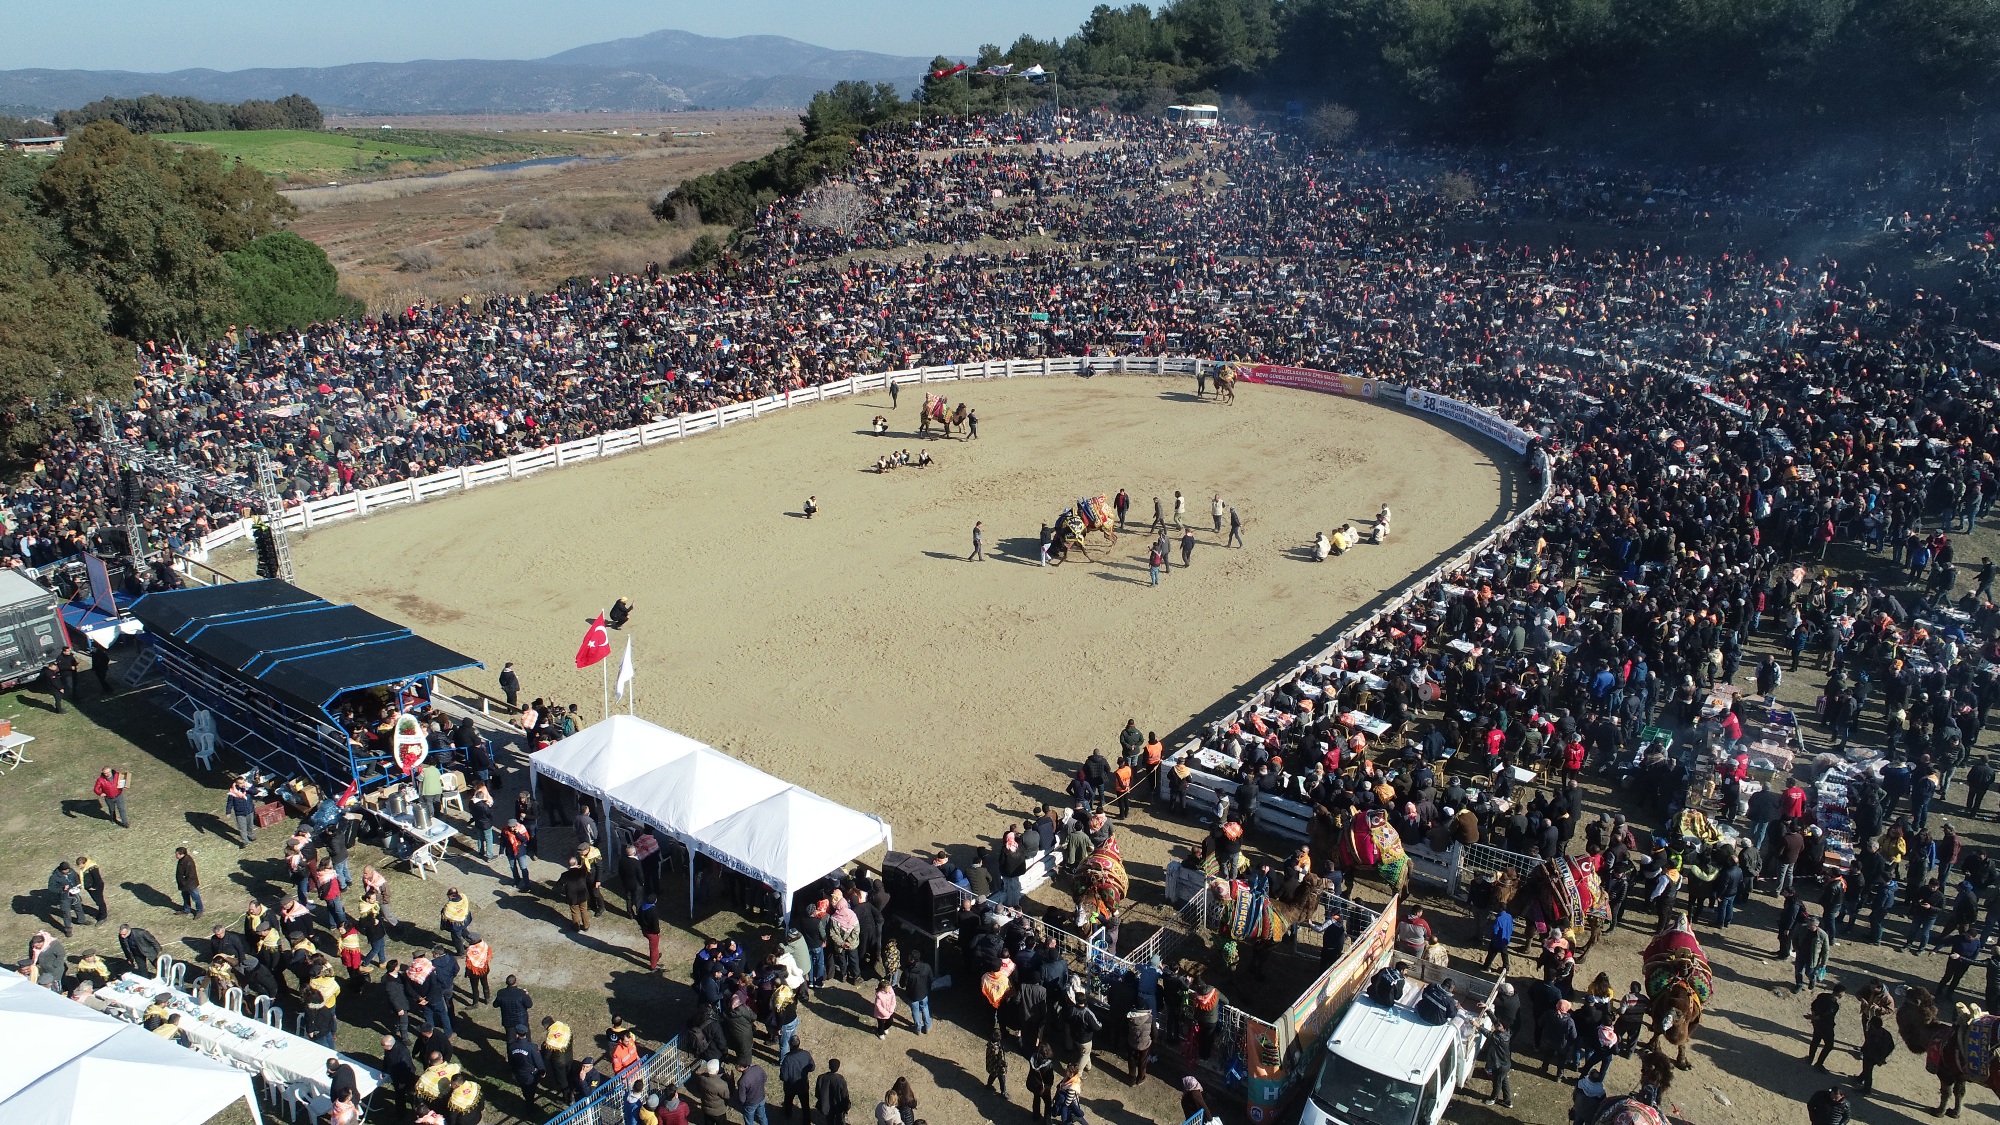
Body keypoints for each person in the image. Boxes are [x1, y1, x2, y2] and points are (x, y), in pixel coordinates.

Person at [1807, 982, 1842, 1069]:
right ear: (1841, 993)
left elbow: (1813, 1005)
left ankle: (1810, 1058)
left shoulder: (1822, 996)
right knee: (1829, 1045)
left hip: (1817, 1024)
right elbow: (1828, 1014)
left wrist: (1813, 1016)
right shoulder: (1834, 1005)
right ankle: (1819, 1064)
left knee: (1815, 1040)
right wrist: (1816, 1018)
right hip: (1826, 1026)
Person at [779, 1036, 814, 1120]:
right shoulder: (806, 1054)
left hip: (790, 1086)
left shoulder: (787, 1059)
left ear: (790, 1045)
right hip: (803, 1084)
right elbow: (812, 1067)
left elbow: (784, 1077)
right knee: (805, 1105)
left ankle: (788, 1114)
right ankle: (806, 1121)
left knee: (788, 1101)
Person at [1794, 915, 1831, 991]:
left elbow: (1826, 951)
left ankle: (1812, 979)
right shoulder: (1802, 928)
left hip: (1812, 958)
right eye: (1807, 923)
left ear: (1816, 925)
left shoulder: (1823, 935)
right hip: (1801, 954)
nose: (1808, 926)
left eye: (1810, 925)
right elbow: (1795, 938)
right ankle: (1799, 985)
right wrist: (1796, 948)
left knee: (1809, 973)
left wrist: (1824, 963)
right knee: (1798, 970)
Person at [47, 861, 80, 936]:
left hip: (74, 892)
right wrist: (62, 889)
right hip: (64, 896)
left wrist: (78, 884)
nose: (67, 871)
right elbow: (51, 888)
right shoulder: (54, 877)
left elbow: (76, 877)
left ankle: (81, 920)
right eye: (65, 870)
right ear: (61, 870)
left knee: (78, 906)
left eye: (68, 870)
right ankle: (68, 929)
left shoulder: (71, 871)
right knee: (66, 912)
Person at [814, 1058, 850, 1125]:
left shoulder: (821, 1077)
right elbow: (844, 1095)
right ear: (838, 1067)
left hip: (826, 1105)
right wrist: (847, 1106)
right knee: (840, 1121)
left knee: (829, 1121)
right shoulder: (840, 1079)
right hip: (838, 1106)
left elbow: (817, 1093)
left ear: (829, 1066)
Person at [173, 847, 203, 918]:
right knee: (185, 897)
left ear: (182, 854)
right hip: (185, 885)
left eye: (177, 854)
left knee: (195, 897)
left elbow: (191, 875)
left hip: (189, 885)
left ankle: (199, 911)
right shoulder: (182, 860)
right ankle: (186, 909)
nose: (175, 856)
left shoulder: (188, 862)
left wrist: (183, 882)